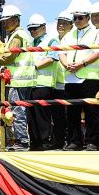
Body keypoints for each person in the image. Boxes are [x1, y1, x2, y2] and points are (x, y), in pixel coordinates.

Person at [60, 3, 99, 150]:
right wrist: (66, 64)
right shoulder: (68, 35)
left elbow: (98, 53)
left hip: (89, 77)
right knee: (72, 112)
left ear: (88, 18)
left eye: (80, 18)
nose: (77, 21)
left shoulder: (96, 33)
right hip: (70, 77)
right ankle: (75, 141)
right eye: (75, 18)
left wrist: (82, 64)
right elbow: (61, 52)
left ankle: (92, 141)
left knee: (92, 111)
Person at [0, 4, 35, 150]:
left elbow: (8, 57)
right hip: (23, 80)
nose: (5, 23)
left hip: (18, 80)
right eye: (4, 21)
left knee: (17, 112)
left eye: (7, 20)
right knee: (21, 111)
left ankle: (22, 142)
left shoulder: (17, 36)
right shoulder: (22, 35)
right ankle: (22, 141)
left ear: (16, 20)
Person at [27, 14, 59, 151]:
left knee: (42, 116)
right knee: (31, 116)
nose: (33, 31)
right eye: (30, 29)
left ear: (44, 27)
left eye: (35, 28)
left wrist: (34, 66)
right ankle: (35, 142)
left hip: (44, 84)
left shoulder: (52, 41)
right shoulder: (31, 43)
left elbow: (52, 58)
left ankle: (45, 141)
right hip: (31, 84)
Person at [52, 12, 75, 149]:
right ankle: (58, 140)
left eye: (65, 23)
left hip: (69, 82)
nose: (61, 25)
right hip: (55, 83)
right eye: (59, 22)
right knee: (57, 115)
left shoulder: (72, 39)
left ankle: (67, 140)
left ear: (71, 26)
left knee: (67, 115)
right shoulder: (53, 40)